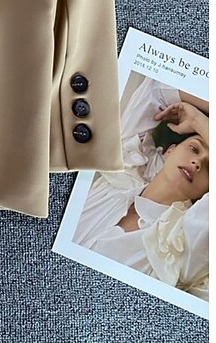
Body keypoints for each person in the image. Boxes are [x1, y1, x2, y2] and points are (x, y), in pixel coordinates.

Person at [73, 77, 209, 300]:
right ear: (170, 151)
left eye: (211, 168)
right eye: (194, 149)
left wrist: (197, 120)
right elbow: (156, 88)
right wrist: (197, 121)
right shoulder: (120, 174)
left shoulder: (183, 244)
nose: (197, 163)